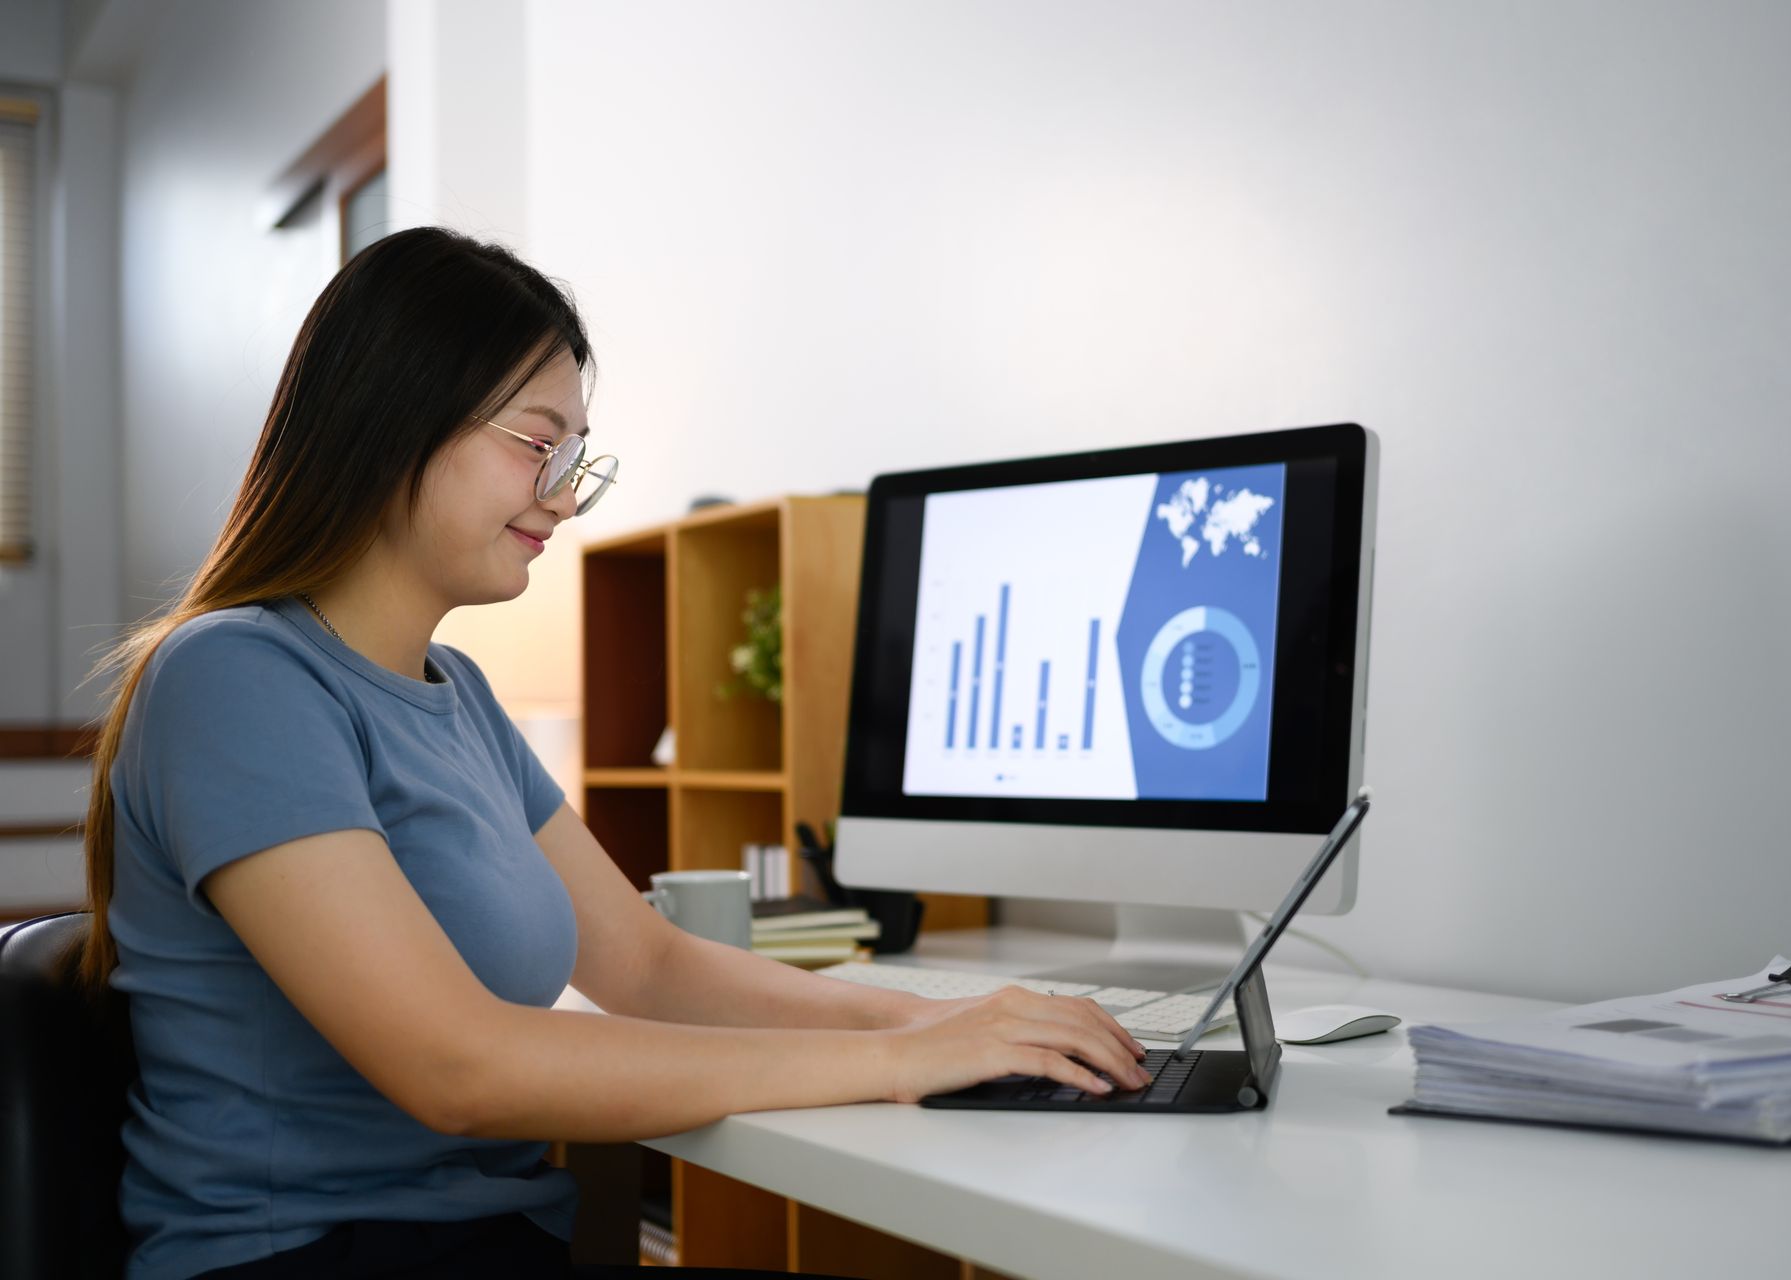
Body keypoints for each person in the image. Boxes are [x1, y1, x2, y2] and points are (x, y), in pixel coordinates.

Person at [76, 227, 1150, 1279]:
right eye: (540, 443)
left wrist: (937, 1017)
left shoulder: (460, 696)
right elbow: (455, 1064)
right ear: (393, 417)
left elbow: (647, 962)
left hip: (492, 1241)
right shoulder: (235, 679)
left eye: (575, 456)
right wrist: (892, 1060)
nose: (563, 494)